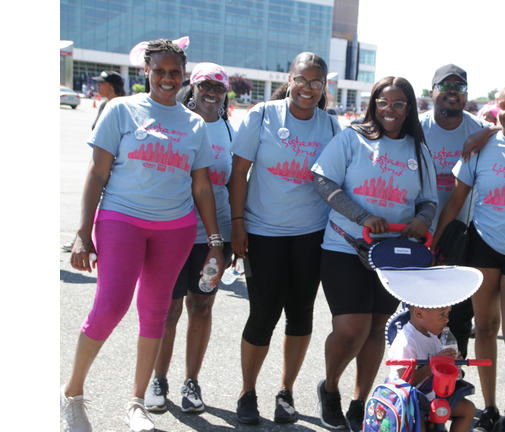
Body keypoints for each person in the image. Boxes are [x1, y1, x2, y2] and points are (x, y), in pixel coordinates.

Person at [61, 38, 224, 432]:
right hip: (122, 220)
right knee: (110, 307)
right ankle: (72, 395)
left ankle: (136, 404)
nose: (167, 79)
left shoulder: (195, 125)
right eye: (160, 71)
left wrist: (216, 243)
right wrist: (83, 233)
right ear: (145, 72)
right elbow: (97, 173)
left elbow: (201, 187)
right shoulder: (121, 110)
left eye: (174, 73)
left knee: (155, 313)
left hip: (176, 229)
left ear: (183, 76)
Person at [311, 76, 438, 432]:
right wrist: (362, 216)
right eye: (384, 102)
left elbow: (429, 200)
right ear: (374, 103)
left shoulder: (418, 150)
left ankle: (360, 401)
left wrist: (421, 219)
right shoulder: (352, 138)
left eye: (399, 104)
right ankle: (330, 387)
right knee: (352, 328)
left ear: (409, 108)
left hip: (394, 253)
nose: (390, 110)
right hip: (345, 245)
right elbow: (322, 181)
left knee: (376, 330)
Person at [229, 52, 341, 425]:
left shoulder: (331, 126)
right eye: (301, 79)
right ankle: (247, 392)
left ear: (324, 86)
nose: (307, 88)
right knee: (262, 315)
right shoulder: (262, 115)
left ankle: (286, 391)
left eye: (316, 82)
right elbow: (239, 173)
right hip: (263, 233)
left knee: (300, 315)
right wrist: (237, 223)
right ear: (289, 79)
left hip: (311, 235)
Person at [432, 83, 505, 432]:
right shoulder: (480, 148)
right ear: (495, 107)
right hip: (484, 246)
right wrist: (434, 246)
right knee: (483, 327)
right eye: (504, 105)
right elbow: (455, 200)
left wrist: (492, 127)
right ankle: (490, 407)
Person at [144, 62, 235, 414]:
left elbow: (235, 182)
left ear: (225, 93)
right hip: (172, 231)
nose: (211, 92)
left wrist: (236, 237)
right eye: (204, 85)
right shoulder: (175, 123)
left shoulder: (230, 131)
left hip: (216, 237)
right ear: (192, 87)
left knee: (201, 306)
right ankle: (158, 379)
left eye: (218, 87)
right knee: (167, 310)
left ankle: (191, 382)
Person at [419, 64, 491, 378]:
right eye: (445, 85)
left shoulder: (478, 127)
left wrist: (491, 130)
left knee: (458, 317)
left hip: (459, 238)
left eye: (459, 87)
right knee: (418, 314)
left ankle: (453, 381)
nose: (452, 91)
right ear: (432, 91)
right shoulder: (417, 127)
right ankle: (416, 380)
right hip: (419, 232)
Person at [388, 305, 475, 432]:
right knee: (418, 425)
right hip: (410, 400)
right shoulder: (406, 341)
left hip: (431, 396)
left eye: (448, 313)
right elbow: (404, 379)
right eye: (442, 314)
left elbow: (440, 370)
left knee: (467, 409)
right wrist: (433, 363)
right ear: (419, 313)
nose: (447, 319)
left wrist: (452, 364)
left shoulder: (433, 337)